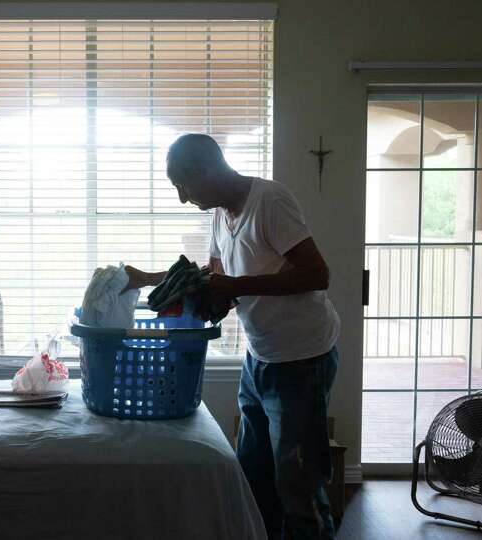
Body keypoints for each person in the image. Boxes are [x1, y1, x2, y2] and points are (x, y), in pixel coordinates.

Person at [125, 134, 341, 540]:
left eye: (183, 187)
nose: (182, 199)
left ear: (206, 171)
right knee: (254, 478)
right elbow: (214, 276)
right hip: (259, 358)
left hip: (301, 361)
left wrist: (235, 286)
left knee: (299, 490)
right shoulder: (220, 215)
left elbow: (317, 274)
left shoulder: (270, 201)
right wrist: (149, 279)